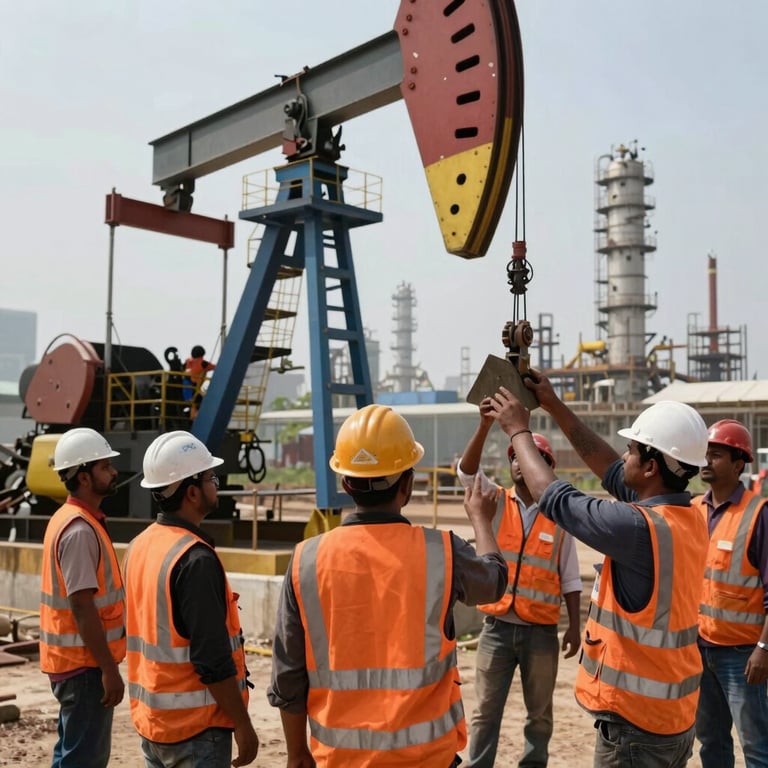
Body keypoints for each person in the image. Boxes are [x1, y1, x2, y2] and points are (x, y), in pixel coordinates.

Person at [486, 374, 710, 768]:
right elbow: (609, 468)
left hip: (634, 728)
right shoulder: (686, 517)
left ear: (652, 467)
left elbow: (553, 497)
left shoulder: (636, 528)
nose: (624, 456)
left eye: (631, 451)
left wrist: (518, 430)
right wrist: (553, 404)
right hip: (673, 718)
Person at [267, 403, 508, 767]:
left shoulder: (306, 560)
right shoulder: (442, 552)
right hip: (427, 760)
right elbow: (493, 584)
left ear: (345, 483)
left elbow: (288, 674)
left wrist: (297, 752)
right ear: (408, 485)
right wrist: (482, 522)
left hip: (339, 760)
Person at [457, 401, 582, 768]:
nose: (518, 463)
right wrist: (483, 428)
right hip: (496, 627)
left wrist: (574, 625)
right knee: (484, 712)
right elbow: (466, 473)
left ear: (543, 467)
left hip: (541, 632)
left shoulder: (561, 517)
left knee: (539, 716)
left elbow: (571, 577)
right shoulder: (494, 500)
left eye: (528, 457)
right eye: (515, 457)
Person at [122, 431, 258, 768]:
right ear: (192, 491)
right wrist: (242, 723)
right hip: (196, 730)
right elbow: (212, 659)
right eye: (211, 477)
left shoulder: (138, 546)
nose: (217, 483)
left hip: (154, 724)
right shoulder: (194, 559)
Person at [39, 427, 126, 768]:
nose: (115, 472)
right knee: (83, 761)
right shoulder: (78, 530)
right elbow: (81, 605)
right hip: (84, 668)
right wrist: (108, 669)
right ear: (85, 477)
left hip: (75, 664)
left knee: (72, 756)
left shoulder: (72, 520)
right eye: (106, 467)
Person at [693, 419, 768, 768]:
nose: (707, 461)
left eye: (717, 455)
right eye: (705, 454)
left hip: (742, 657)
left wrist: (764, 649)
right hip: (699, 650)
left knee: (756, 748)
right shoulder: (693, 510)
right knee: (711, 743)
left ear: (739, 464)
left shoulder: (758, 514)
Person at [184, 345, 216, 419]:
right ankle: (195, 417)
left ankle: (192, 416)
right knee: (199, 402)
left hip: (186, 387)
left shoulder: (188, 362)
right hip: (195, 386)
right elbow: (215, 367)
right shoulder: (202, 363)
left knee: (194, 403)